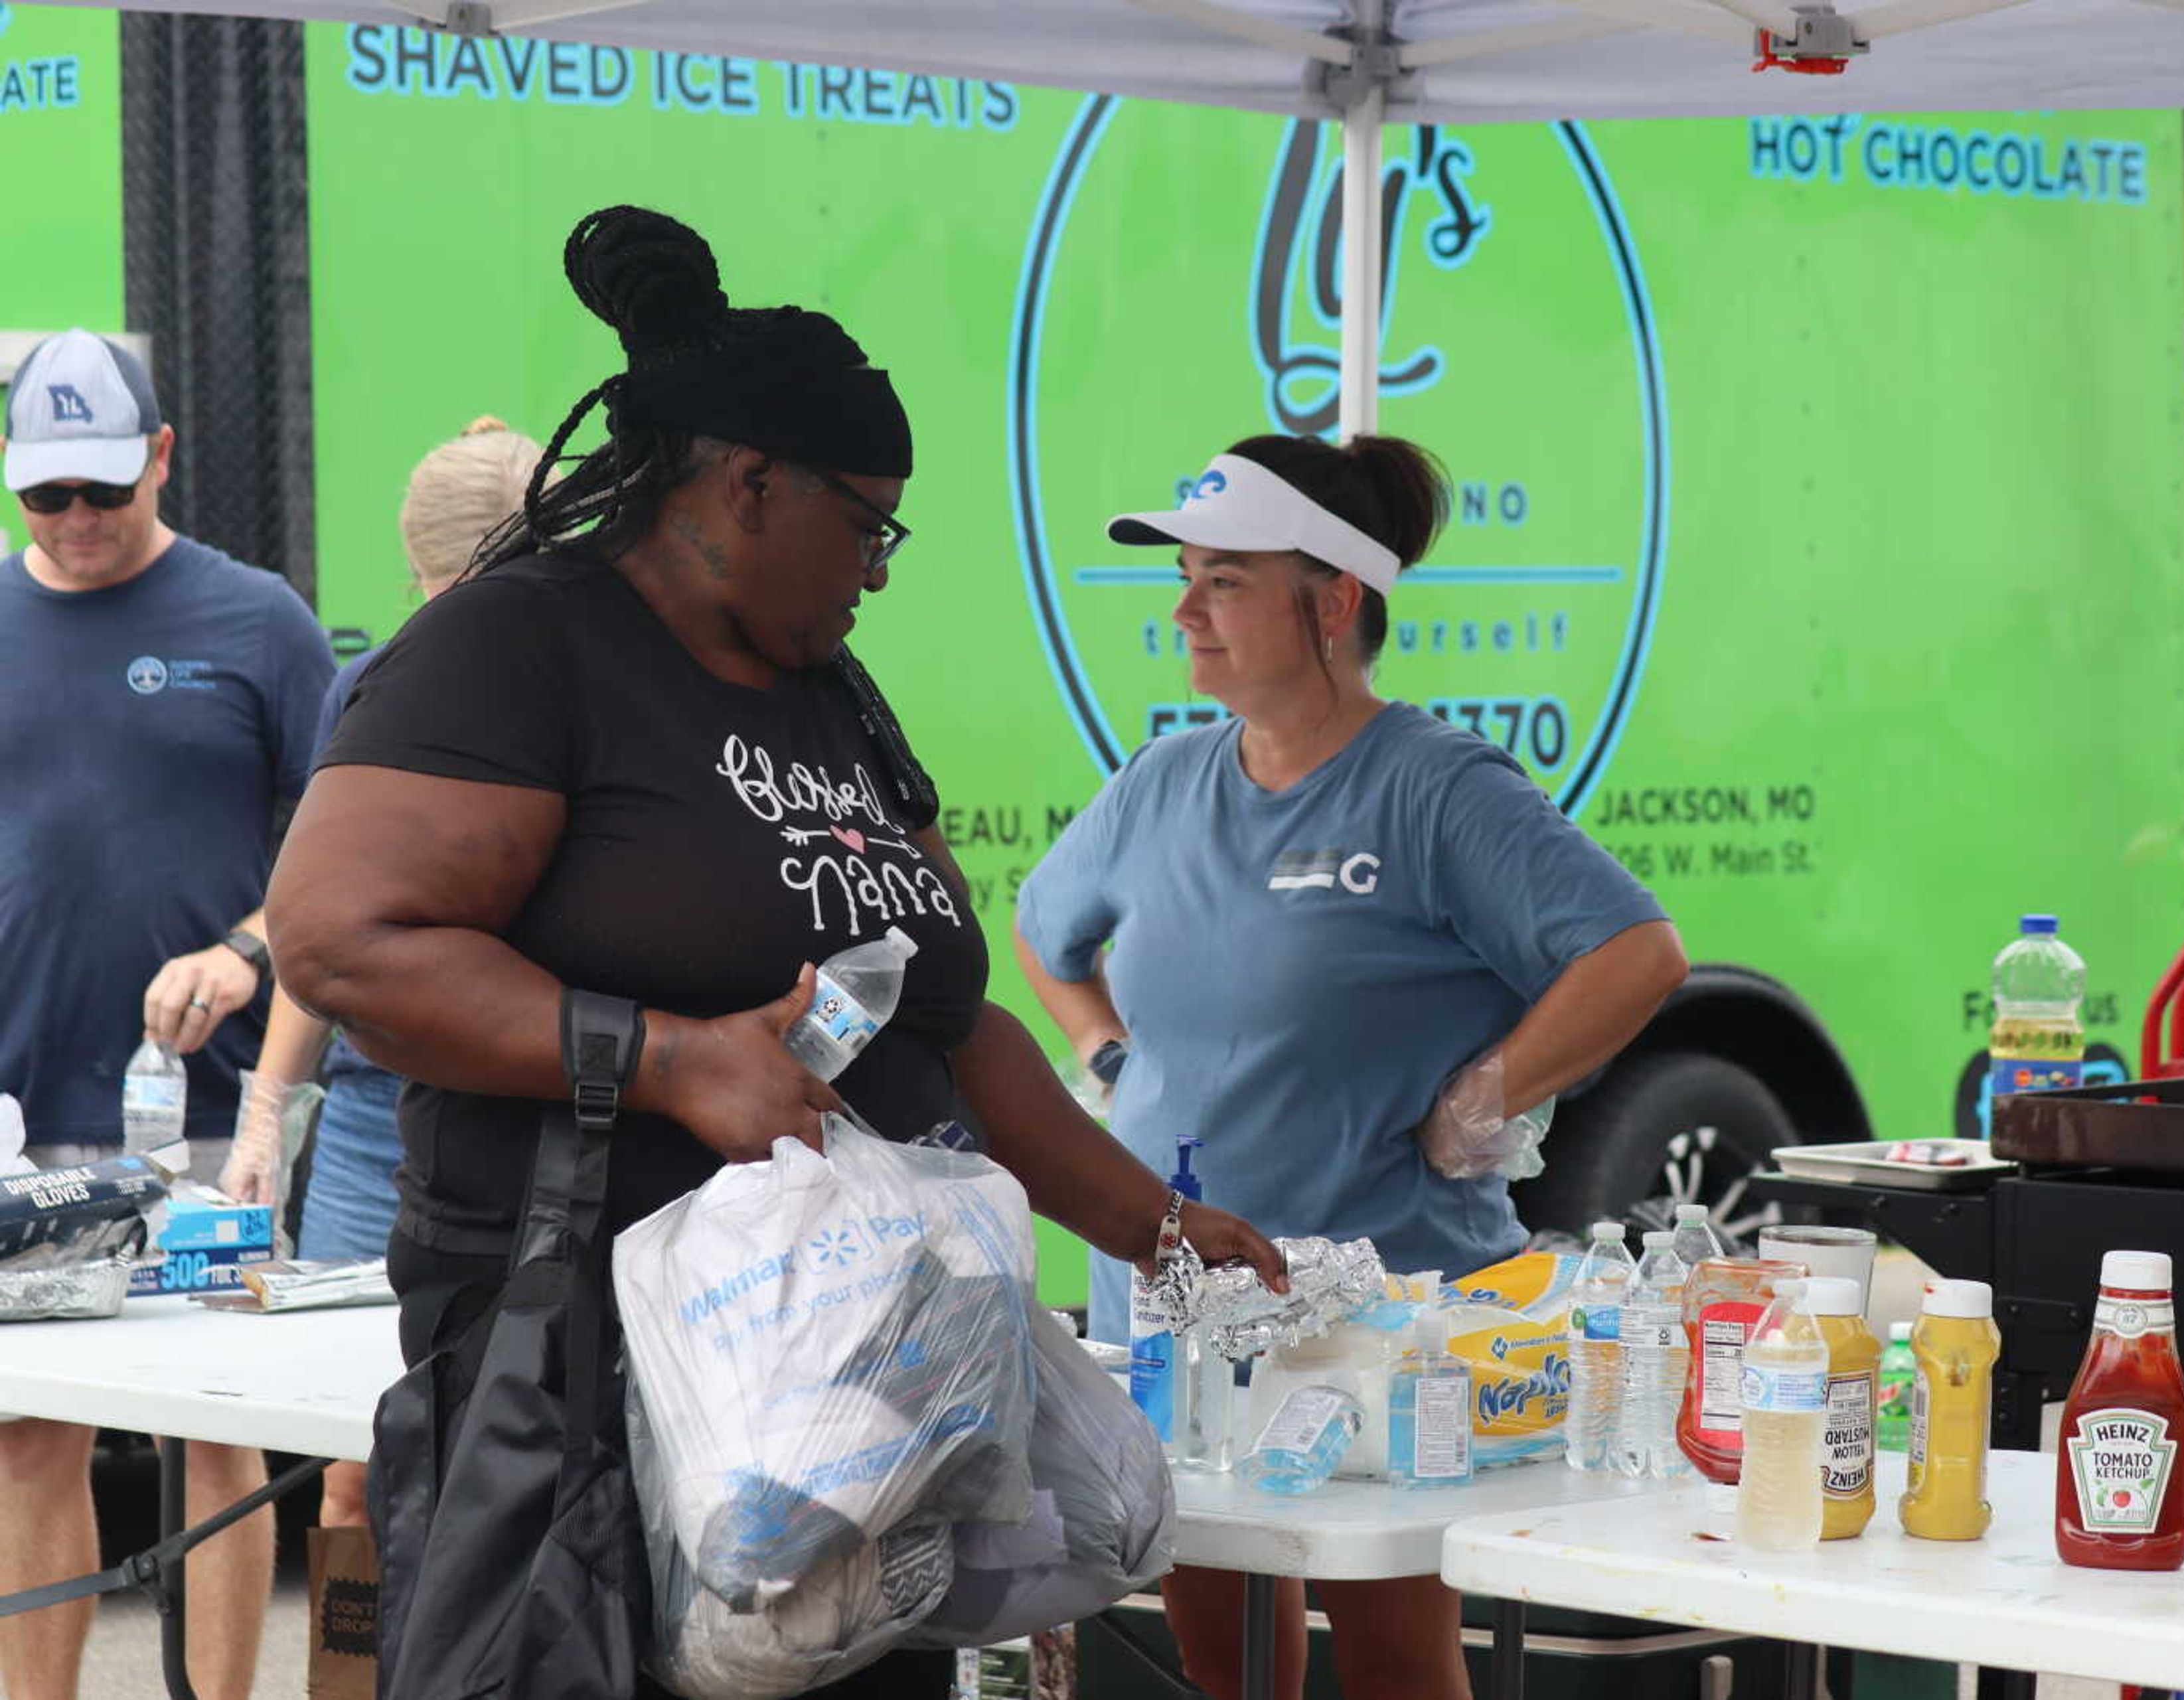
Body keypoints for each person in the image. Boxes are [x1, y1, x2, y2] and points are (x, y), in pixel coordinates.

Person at [263, 205, 1285, 1700]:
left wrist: (1153, 1227)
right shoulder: (517, 649)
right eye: (866, 521)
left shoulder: (834, 691)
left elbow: (951, 1017)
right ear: (749, 485)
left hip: (869, 1405)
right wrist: (672, 1062)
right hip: (598, 1414)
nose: (879, 566)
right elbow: (341, 942)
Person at [1014, 432, 1688, 1700]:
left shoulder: (1437, 789)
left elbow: (1637, 952)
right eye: (1186, 577)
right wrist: (1109, 1051)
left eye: (1223, 580)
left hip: (1377, 1342)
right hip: (1172, 1328)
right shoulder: (1162, 782)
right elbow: (1045, 932)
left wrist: (1483, 1097)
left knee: (1392, 1677)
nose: (1183, 611)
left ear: (1330, 602)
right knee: (1226, 1674)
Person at [0, 327, 337, 1700]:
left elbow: (347, 847)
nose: (77, 522)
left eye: (104, 489)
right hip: (22, 1109)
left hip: (207, 1114)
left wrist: (251, 949)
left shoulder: (256, 621)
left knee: (217, 1428)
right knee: (28, 1435)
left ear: (161, 456)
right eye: (46, 495)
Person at [221, 415, 543, 1531]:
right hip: (373, 1119)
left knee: (533, 1449)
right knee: (356, 1453)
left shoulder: (594, 688)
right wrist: (267, 1111)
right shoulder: (367, 687)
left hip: (550, 1101)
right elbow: (323, 926)